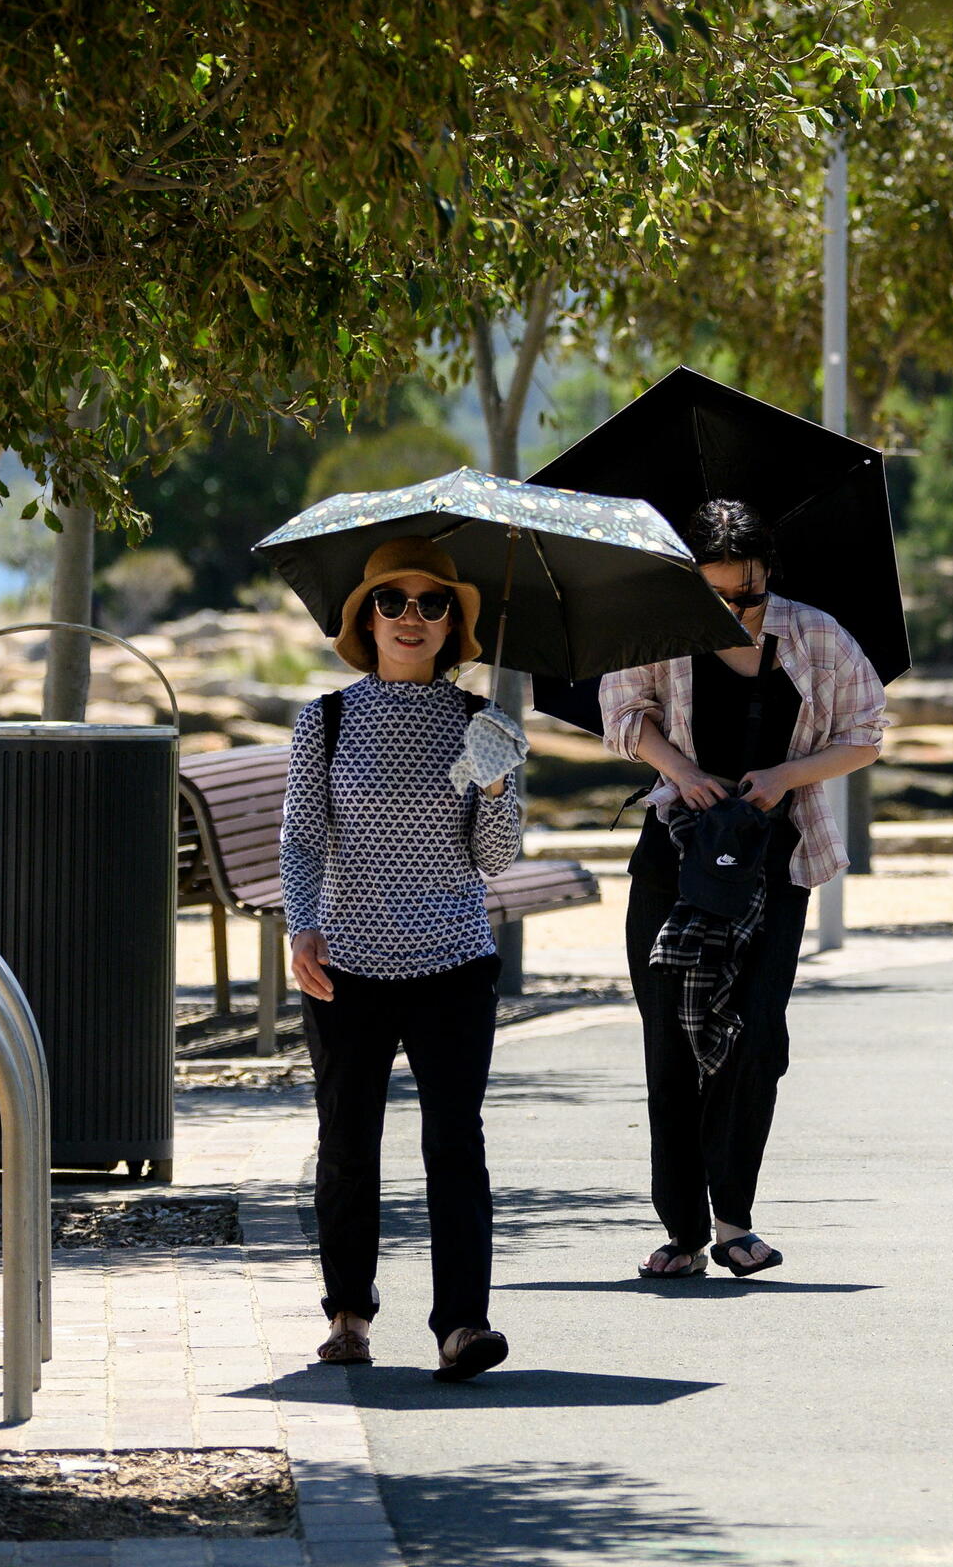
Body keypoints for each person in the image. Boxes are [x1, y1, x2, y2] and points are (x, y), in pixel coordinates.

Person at [601, 499, 888, 1281]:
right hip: (677, 858)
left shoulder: (817, 637)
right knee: (668, 1039)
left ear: (772, 578)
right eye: (716, 596)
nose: (735, 611)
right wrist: (684, 772)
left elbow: (866, 733)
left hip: (777, 860)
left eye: (750, 595)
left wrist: (785, 778)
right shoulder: (661, 626)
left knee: (755, 1036)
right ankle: (682, 1231)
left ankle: (734, 1220)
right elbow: (622, 714)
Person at [280, 537, 525, 1382]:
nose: (412, 618)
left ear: (455, 622)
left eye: (432, 604)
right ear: (366, 618)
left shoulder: (478, 722)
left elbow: (495, 859)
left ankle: (463, 1326)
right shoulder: (329, 716)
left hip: (455, 959)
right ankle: (348, 1315)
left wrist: (497, 784)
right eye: (394, 602)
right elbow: (303, 839)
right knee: (348, 1143)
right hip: (347, 963)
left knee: (455, 1144)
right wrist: (301, 927)